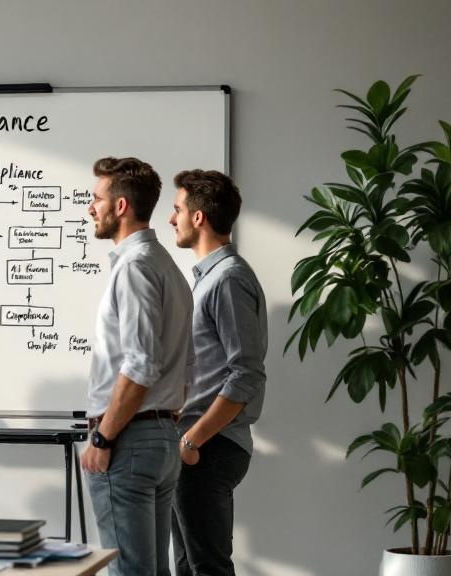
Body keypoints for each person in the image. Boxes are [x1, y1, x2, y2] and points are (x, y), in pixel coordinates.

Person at [81, 157, 193, 576]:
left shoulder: (134, 268)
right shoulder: (166, 266)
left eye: (97, 199)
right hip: (159, 436)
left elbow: (141, 365)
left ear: (121, 206)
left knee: (129, 571)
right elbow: (184, 361)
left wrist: (103, 439)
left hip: (128, 441)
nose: (91, 208)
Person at [168, 170, 267, 576]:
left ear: (198, 218)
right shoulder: (209, 280)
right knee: (188, 568)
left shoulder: (228, 279)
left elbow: (246, 374)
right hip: (195, 446)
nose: (171, 219)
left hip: (209, 447)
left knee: (208, 569)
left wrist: (193, 439)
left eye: (177, 210)